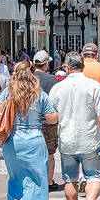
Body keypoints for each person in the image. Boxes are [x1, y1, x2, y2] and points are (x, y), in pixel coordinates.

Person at [49, 52, 100, 200]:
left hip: (67, 140)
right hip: (89, 139)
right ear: (83, 66)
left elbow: (52, 116)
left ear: (67, 68)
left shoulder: (57, 88)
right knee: (94, 176)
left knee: (70, 178)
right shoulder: (94, 86)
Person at [2, 60, 58, 200]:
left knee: (15, 178)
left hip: (12, 141)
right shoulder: (38, 93)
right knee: (34, 181)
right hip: (34, 141)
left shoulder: (8, 92)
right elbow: (52, 119)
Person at [32, 50, 61, 190]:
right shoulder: (52, 80)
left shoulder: (29, 79)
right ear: (46, 65)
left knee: (34, 154)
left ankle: (35, 180)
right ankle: (49, 181)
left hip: (31, 122)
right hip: (48, 122)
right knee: (50, 153)